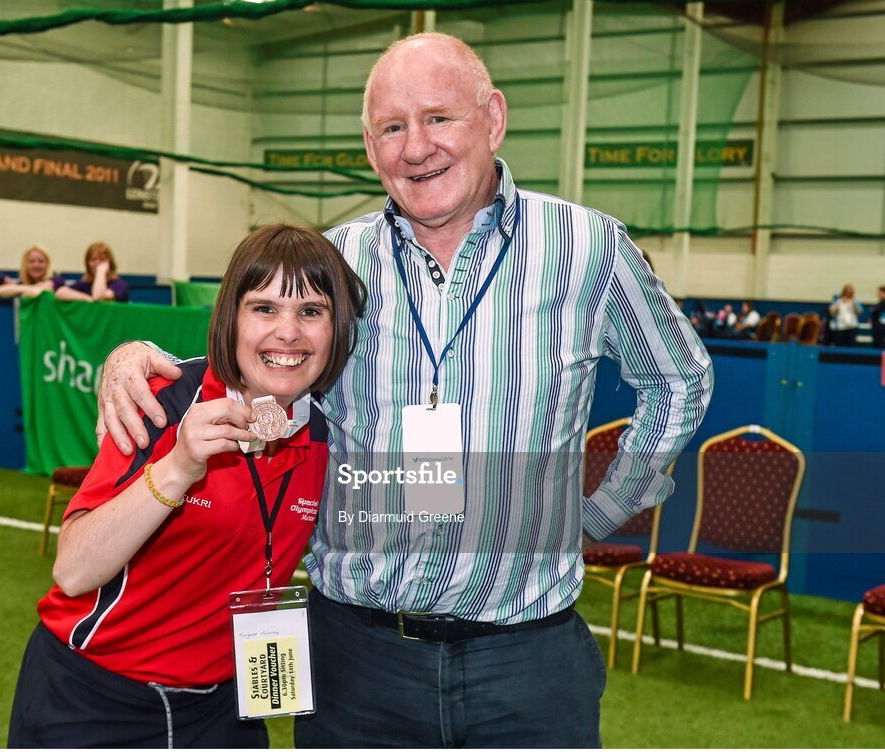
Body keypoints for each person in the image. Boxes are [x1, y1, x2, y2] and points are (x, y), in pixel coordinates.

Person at [98, 33, 713, 748]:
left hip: (528, 663)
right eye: (393, 127)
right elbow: (260, 362)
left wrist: (600, 511)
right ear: (370, 146)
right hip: (355, 659)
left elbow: (679, 379)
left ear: (494, 118)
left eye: (439, 118)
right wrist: (138, 355)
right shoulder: (338, 260)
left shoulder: (587, 248)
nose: (416, 147)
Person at [7, 224, 367, 748]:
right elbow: (74, 569)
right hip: (94, 699)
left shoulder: (324, 430)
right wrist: (177, 466)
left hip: (224, 710)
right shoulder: (163, 402)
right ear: (230, 317)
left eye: (311, 311)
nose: (288, 332)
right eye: (264, 308)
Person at [55, 241, 130, 302]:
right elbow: (60, 292)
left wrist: (101, 272)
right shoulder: (85, 284)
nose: (97, 263)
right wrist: (86, 298)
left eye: (102, 259)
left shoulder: (119, 284)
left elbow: (98, 296)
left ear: (110, 262)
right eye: (93, 260)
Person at [0, 246, 66, 299]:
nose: (36, 265)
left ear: (48, 264)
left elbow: (45, 288)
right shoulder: (22, 283)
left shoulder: (57, 280)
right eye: (31, 262)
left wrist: (19, 290)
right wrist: (29, 288)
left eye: (41, 261)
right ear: (25, 265)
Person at [871, 285, 885, 349]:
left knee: (880, 343)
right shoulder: (880, 303)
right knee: (877, 343)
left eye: (880, 292)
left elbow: (875, 311)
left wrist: (873, 310)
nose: (878, 294)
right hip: (877, 326)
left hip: (881, 327)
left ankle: (879, 358)